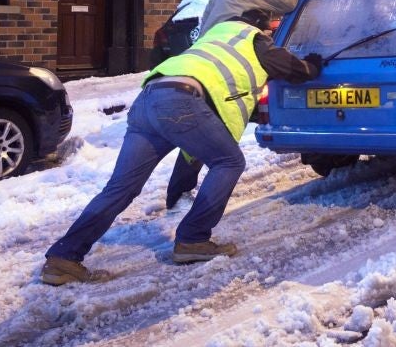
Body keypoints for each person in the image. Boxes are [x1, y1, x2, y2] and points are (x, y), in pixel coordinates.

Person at [41, 14, 324, 285]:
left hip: (147, 101)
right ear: (261, 28)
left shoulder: (213, 37)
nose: (271, 36)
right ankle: (193, 239)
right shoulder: (254, 39)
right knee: (229, 162)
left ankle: (63, 258)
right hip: (180, 103)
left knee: (120, 187)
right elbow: (292, 69)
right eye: (270, 31)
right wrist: (310, 65)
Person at [165, 0, 313, 208]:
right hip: (231, 58)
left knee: (201, 126)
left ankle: (179, 192)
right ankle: (195, 205)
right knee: (220, 137)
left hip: (209, 55)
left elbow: (206, 17)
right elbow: (289, 2)